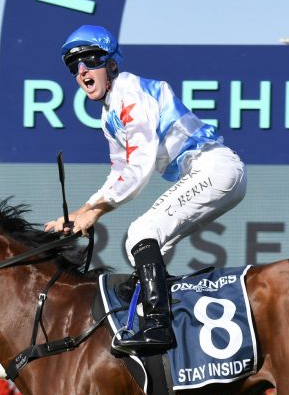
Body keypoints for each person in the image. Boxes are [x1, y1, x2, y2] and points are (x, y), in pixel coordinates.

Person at [46, 25, 247, 357]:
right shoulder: (108, 114)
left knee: (142, 232)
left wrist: (94, 212)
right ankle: (174, 321)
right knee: (142, 248)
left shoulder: (131, 94)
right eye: (73, 65)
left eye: (90, 60)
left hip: (214, 167)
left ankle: (158, 327)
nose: (81, 71)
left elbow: (138, 169)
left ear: (112, 64)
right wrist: (81, 213)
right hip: (210, 172)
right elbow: (119, 172)